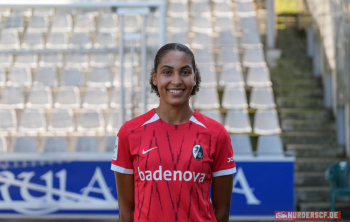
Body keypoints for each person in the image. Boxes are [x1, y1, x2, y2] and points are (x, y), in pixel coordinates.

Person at [111, 43, 236, 222]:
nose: (176, 81)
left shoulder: (216, 134)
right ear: (155, 77)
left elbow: (221, 211)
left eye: (185, 72)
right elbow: (126, 210)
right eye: (167, 72)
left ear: (195, 77)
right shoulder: (129, 132)